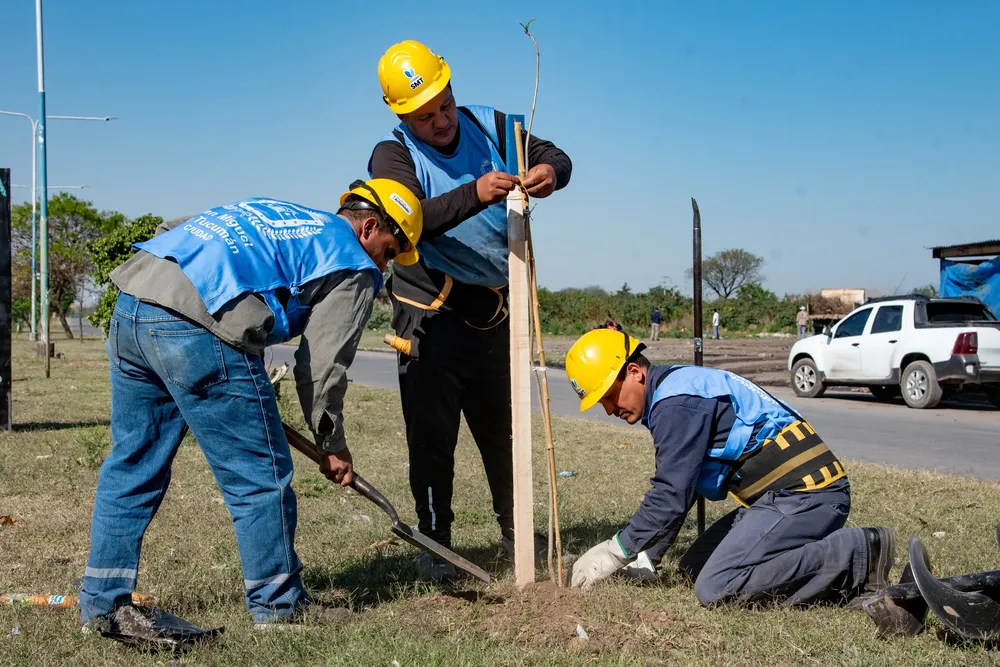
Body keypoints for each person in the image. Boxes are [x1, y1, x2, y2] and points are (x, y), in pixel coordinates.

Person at [79, 180, 423, 633]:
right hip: (197, 329)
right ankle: (279, 608)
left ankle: (102, 604)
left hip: (135, 300)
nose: (386, 264)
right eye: (391, 251)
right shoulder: (354, 264)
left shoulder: (278, 214)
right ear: (370, 227)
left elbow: (183, 231)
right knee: (259, 476)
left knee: (133, 461)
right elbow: (321, 366)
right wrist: (331, 442)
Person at [367, 40, 573, 580]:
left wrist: (550, 172)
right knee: (432, 440)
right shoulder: (393, 158)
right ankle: (437, 547)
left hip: (496, 314)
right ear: (401, 115)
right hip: (431, 314)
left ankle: (517, 536)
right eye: (424, 115)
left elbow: (557, 155)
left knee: (505, 434)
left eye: (444, 105)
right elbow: (408, 223)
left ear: (453, 89)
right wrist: (476, 192)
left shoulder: (496, 127)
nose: (439, 121)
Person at [563, 329, 896, 609]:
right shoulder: (674, 390)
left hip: (808, 495)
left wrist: (616, 551)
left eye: (608, 396)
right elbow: (686, 485)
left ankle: (859, 553)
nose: (608, 409)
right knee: (694, 569)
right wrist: (648, 556)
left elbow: (671, 493)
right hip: (777, 500)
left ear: (634, 372)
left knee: (716, 587)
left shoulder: (676, 404)